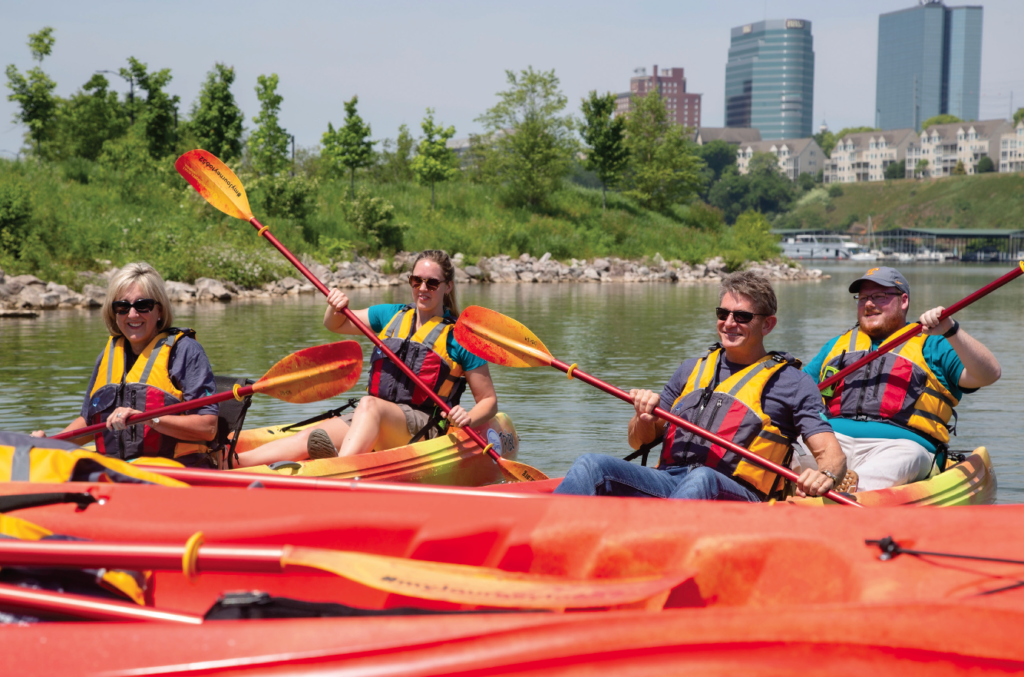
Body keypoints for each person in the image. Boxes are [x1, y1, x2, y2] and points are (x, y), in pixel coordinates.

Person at [554, 271, 847, 502]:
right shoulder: (690, 370)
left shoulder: (793, 383)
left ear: (767, 325)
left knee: (702, 478)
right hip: (669, 482)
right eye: (723, 314)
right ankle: (541, 543)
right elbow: (638, 441)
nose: (729, 323)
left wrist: (826, 476)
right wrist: (643, 417)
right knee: (591, 464)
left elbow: (831, 455)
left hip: (741, 496)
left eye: (742, 316)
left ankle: (653, 550)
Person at [236, 249, 498, 467]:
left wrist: (468, 418)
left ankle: (339, 469)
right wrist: (334, 305)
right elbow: (336, 324)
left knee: (369, 405)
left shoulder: (460, 338)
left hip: (424, 425)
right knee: (309, 437)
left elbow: (488, 401)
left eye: (432, 283)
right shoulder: (391, 315)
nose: (423, 288)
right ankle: (230, 463)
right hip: (372, 414)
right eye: (416, 281)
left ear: (448, 286)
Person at [801, 266, 1001, 491]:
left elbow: (988, 374)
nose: (868, 304)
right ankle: (799, 489)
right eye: (863, 297)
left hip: (900, 446)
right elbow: (798, 393)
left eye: (879, 296)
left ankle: (847, 487)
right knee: (788, 443)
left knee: (907, 456)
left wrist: (950, 329)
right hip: (831, 444)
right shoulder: (836, 345)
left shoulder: (933, 343)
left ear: (903, 300)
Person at [31, 262, 219, 467]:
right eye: (122, 307)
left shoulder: (185, 351)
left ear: (160, 312)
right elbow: (88, 422)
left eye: (143, 305)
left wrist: (149, 419)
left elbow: (207, 427)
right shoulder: (108, 355)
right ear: (113, 313)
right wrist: (49, 443)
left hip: (174, 471)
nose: (132, 315)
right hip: (119, 472)